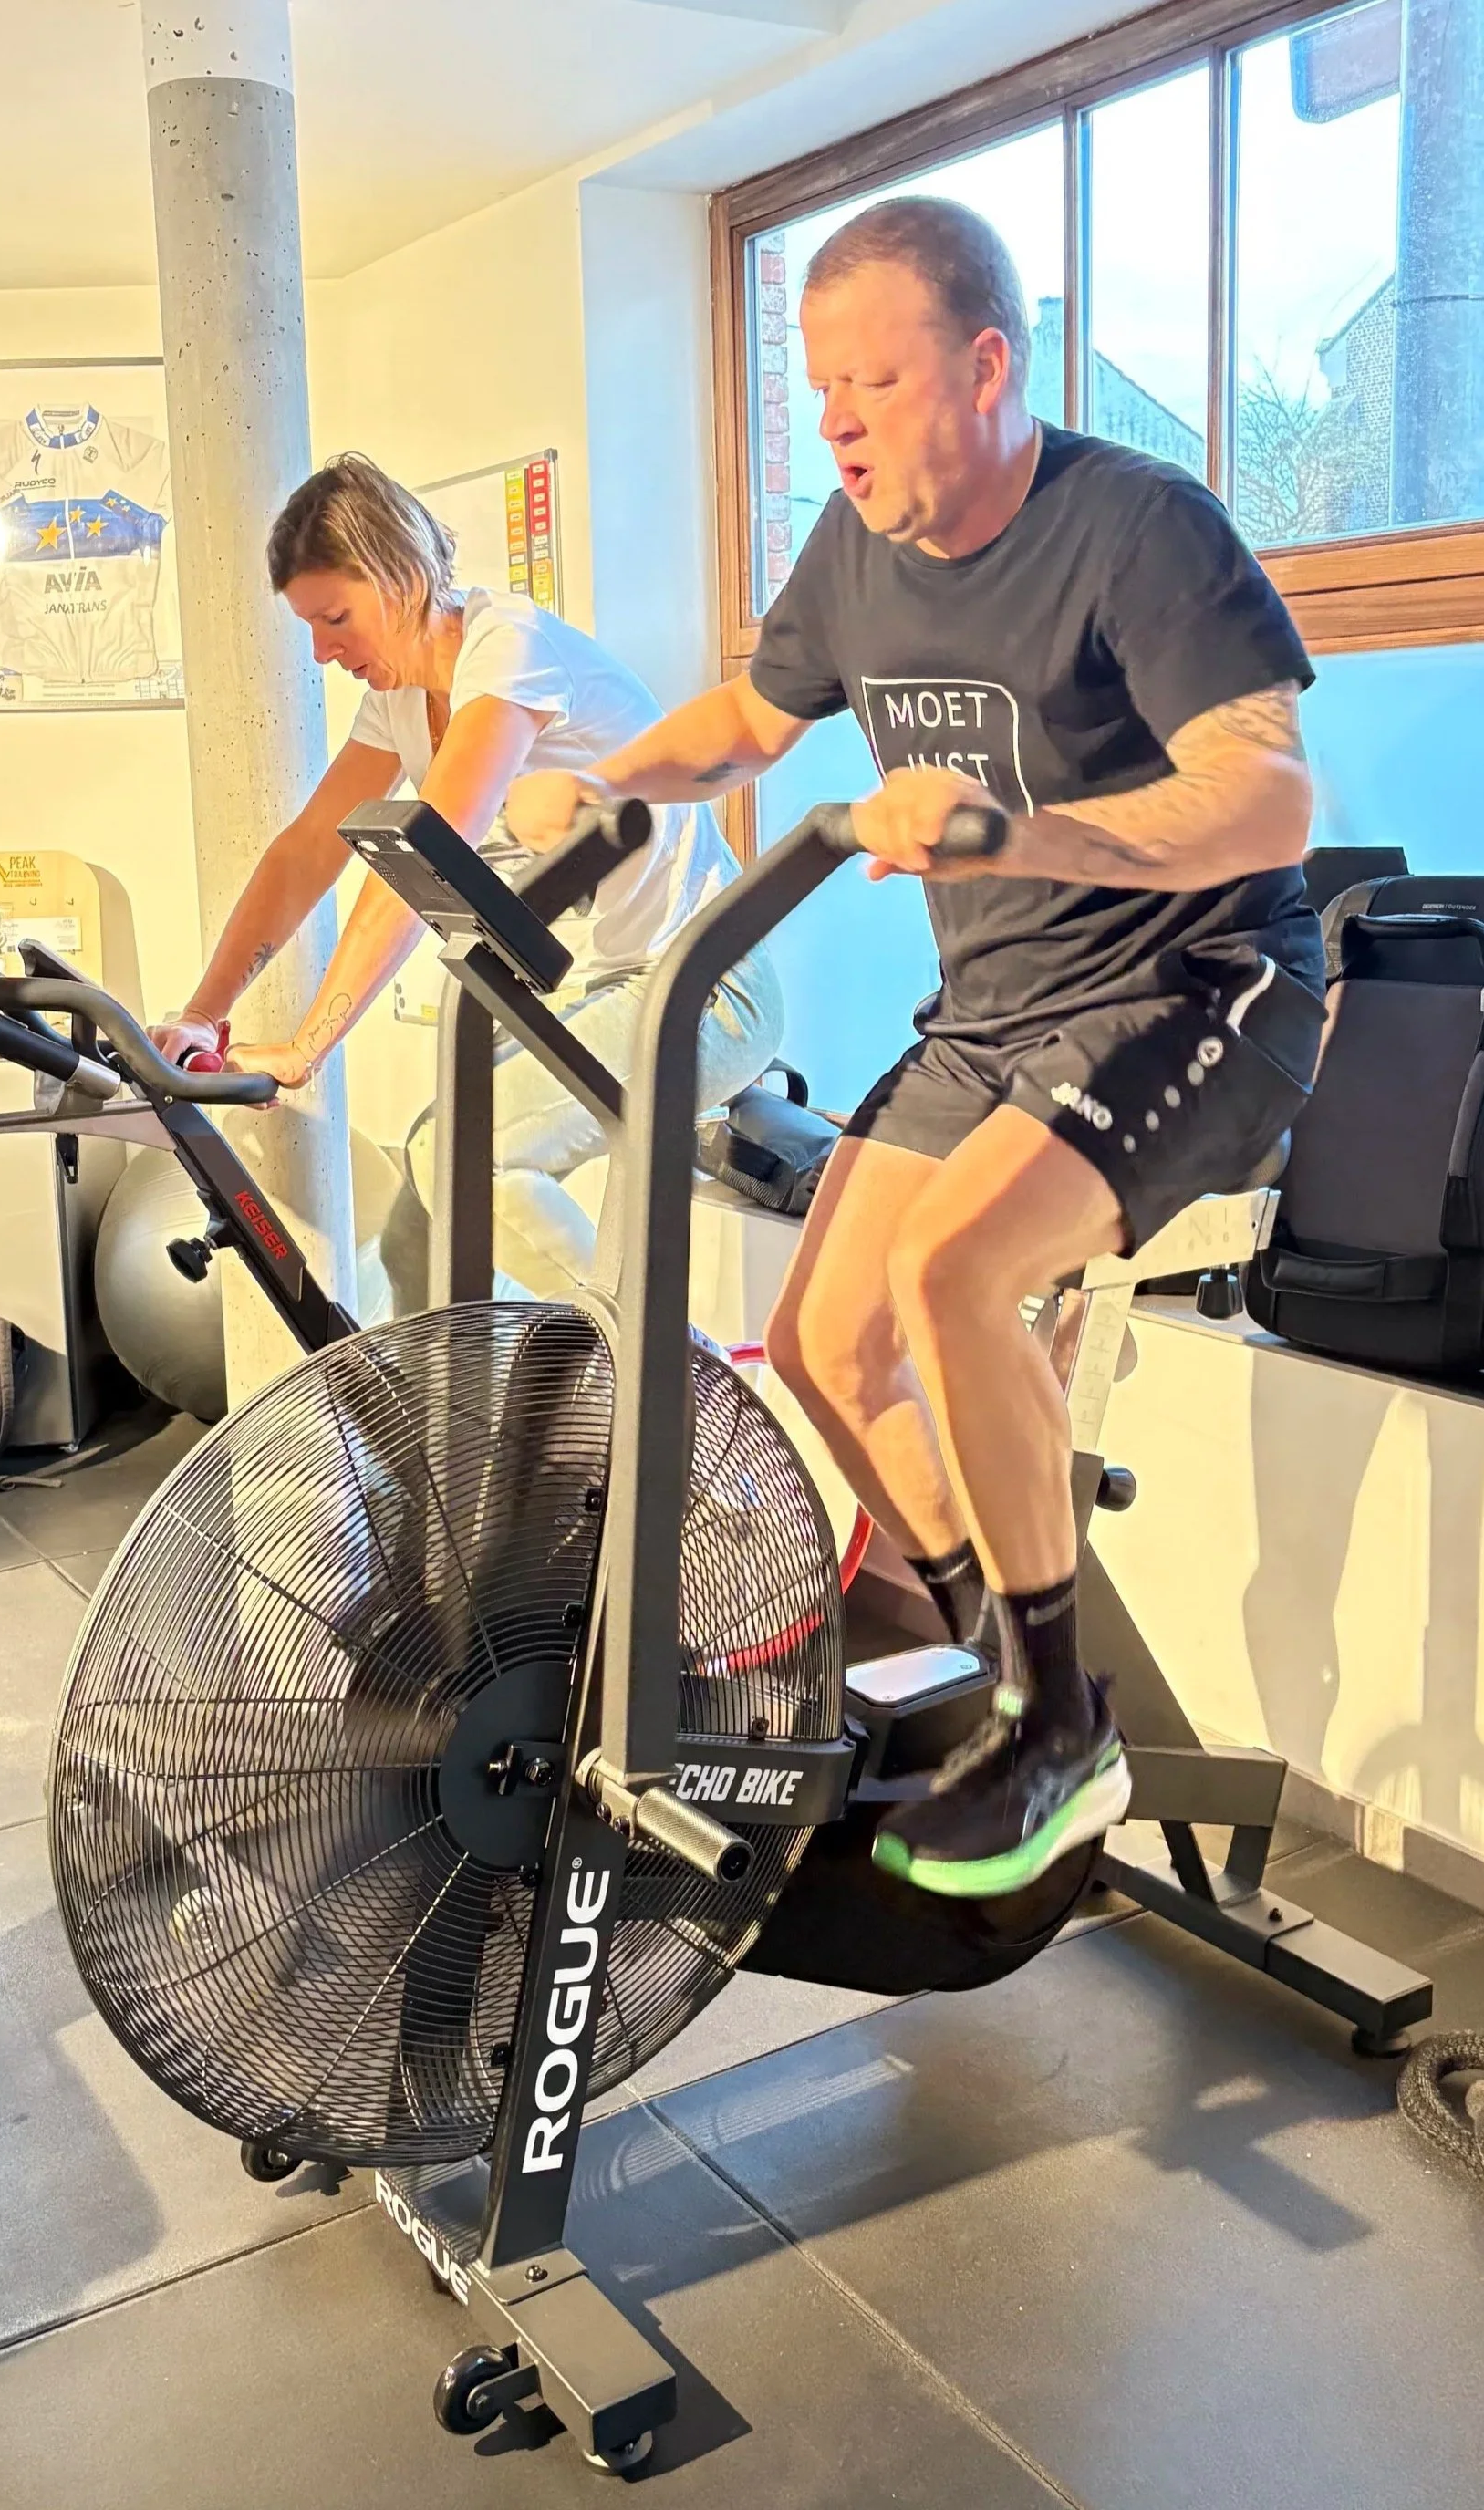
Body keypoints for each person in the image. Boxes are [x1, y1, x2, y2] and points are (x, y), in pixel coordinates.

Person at [505, 197, 1323, 1900]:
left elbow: (1267, 797)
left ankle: (1056, 1727)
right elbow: (747, 718)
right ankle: (991, 1659)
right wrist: (606, 785)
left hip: (1195, 985)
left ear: (985, 365)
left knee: (954, 1274)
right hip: (994, 1013)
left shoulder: (1133, 528)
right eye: (818, 388)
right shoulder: (851, 549)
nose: (837, 419)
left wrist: (1009, 832)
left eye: (871, 379)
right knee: (819, 1340)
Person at [153, 453, 783, 1301]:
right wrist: (204, 1012)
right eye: (308, 626)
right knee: (420, 1227)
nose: (321, 650)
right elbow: (309, 848)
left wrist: (310, 1046)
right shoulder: (400, 698)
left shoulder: (508, 650)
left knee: (467, 1166)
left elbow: (428, 855)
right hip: (577, 991)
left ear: (400, 575)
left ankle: (663, 1382)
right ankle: (450, 1425)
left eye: (335, 617)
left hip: (701, 982)